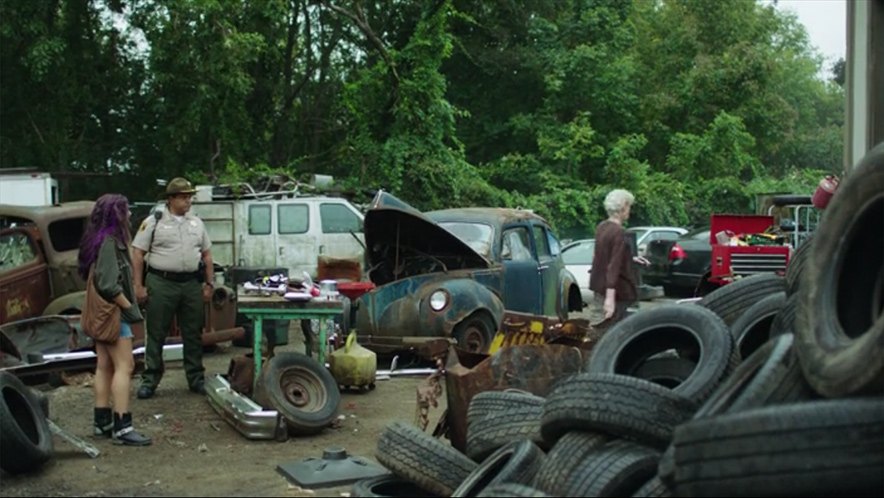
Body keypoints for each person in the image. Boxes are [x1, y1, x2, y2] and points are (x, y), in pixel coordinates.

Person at [78, 194, 151, 446]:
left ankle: (102, 422)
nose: (130, 214)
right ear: (117, 214)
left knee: (105, 365)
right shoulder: (110, 243)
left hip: (99, 313)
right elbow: (109, 284)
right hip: (112, 313)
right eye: (126, 210)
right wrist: (129, 308)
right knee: (125, 366)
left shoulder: (97, 241)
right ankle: (123, 426)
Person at [132, 178, 214, 399]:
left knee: (193, 331)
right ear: (171, 199)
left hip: (190, 283)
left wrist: (209, 283)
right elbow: (138, 253)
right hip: (162, 282)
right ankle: (150, 379)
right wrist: (138, 285)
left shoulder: (196, 223)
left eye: (190, 197)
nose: (188, 201)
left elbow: (206, 254)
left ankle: (196, 378)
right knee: (157, 331)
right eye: (183, 197)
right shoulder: (153, 222)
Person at [588, 189, 649, 330]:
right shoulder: (619, 232)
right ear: (623, 208)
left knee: (598, 324)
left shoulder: (601, 227)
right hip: (618, 291)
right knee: (611, 330)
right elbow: (613, 266)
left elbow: (602, 256)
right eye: (629, 207)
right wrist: (610, 299)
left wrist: (631, 259)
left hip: (598, 285)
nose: (629, 211)